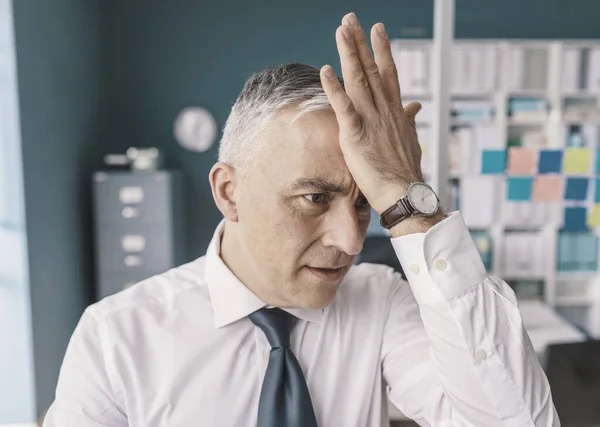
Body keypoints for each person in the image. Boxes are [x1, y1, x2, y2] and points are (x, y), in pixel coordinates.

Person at [44, 12, 560, 427]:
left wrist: (405, 194)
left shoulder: (381, 303)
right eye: (314, 198)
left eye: (364, 204)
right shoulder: (115, 338)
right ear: (229, 192)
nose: (352, 240)